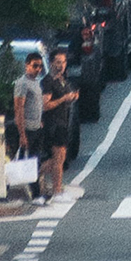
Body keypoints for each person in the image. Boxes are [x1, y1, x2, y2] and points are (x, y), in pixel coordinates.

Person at [38, 50, 80, 205]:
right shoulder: (48, 82)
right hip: (54, 124)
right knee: (57, 158)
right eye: (58, 62)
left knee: (59, 159)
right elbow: (45, 104)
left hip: (63, 121)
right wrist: (63, 99)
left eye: (63, 62)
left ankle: (35, 176)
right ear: (51, 63)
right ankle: (56, 190)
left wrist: (72, 97)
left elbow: (68, 97)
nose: (61, 65)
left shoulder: (63, 80)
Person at [11, 52, 45, 200]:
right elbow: (19, 108)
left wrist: (40, 120)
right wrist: (22, 134)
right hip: (27, 129)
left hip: (36, 127)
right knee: (28, 161)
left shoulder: (36, 82)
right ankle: (35, 193)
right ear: (27, 65)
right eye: (35, 66)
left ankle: (36, 191)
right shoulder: (22, 83)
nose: (38, 69)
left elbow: (36, 105)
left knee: (35, 161)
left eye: (40, 66)